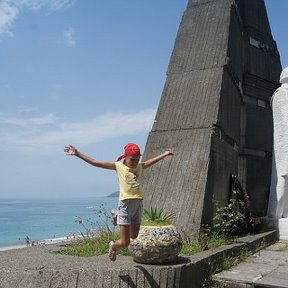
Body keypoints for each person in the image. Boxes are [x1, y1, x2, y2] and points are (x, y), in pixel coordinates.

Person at [64, 143, 173, 261]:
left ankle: (116, 215)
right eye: (132, 159)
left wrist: (165, 154)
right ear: (125, 157)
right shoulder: (119, 167)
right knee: (125, 243)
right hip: (125, 204)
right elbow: (96, 162)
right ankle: (113, 246)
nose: (135, 162)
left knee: (134, 236)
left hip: (138, 204)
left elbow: (152, 161)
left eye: (137, 159)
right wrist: (77, 153)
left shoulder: (139, 167)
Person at [268, 67, 288, 219]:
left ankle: (284, 212)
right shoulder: (281, 94)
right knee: (283, 176)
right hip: (284, 145)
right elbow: (284, 121)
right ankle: (275, 215)